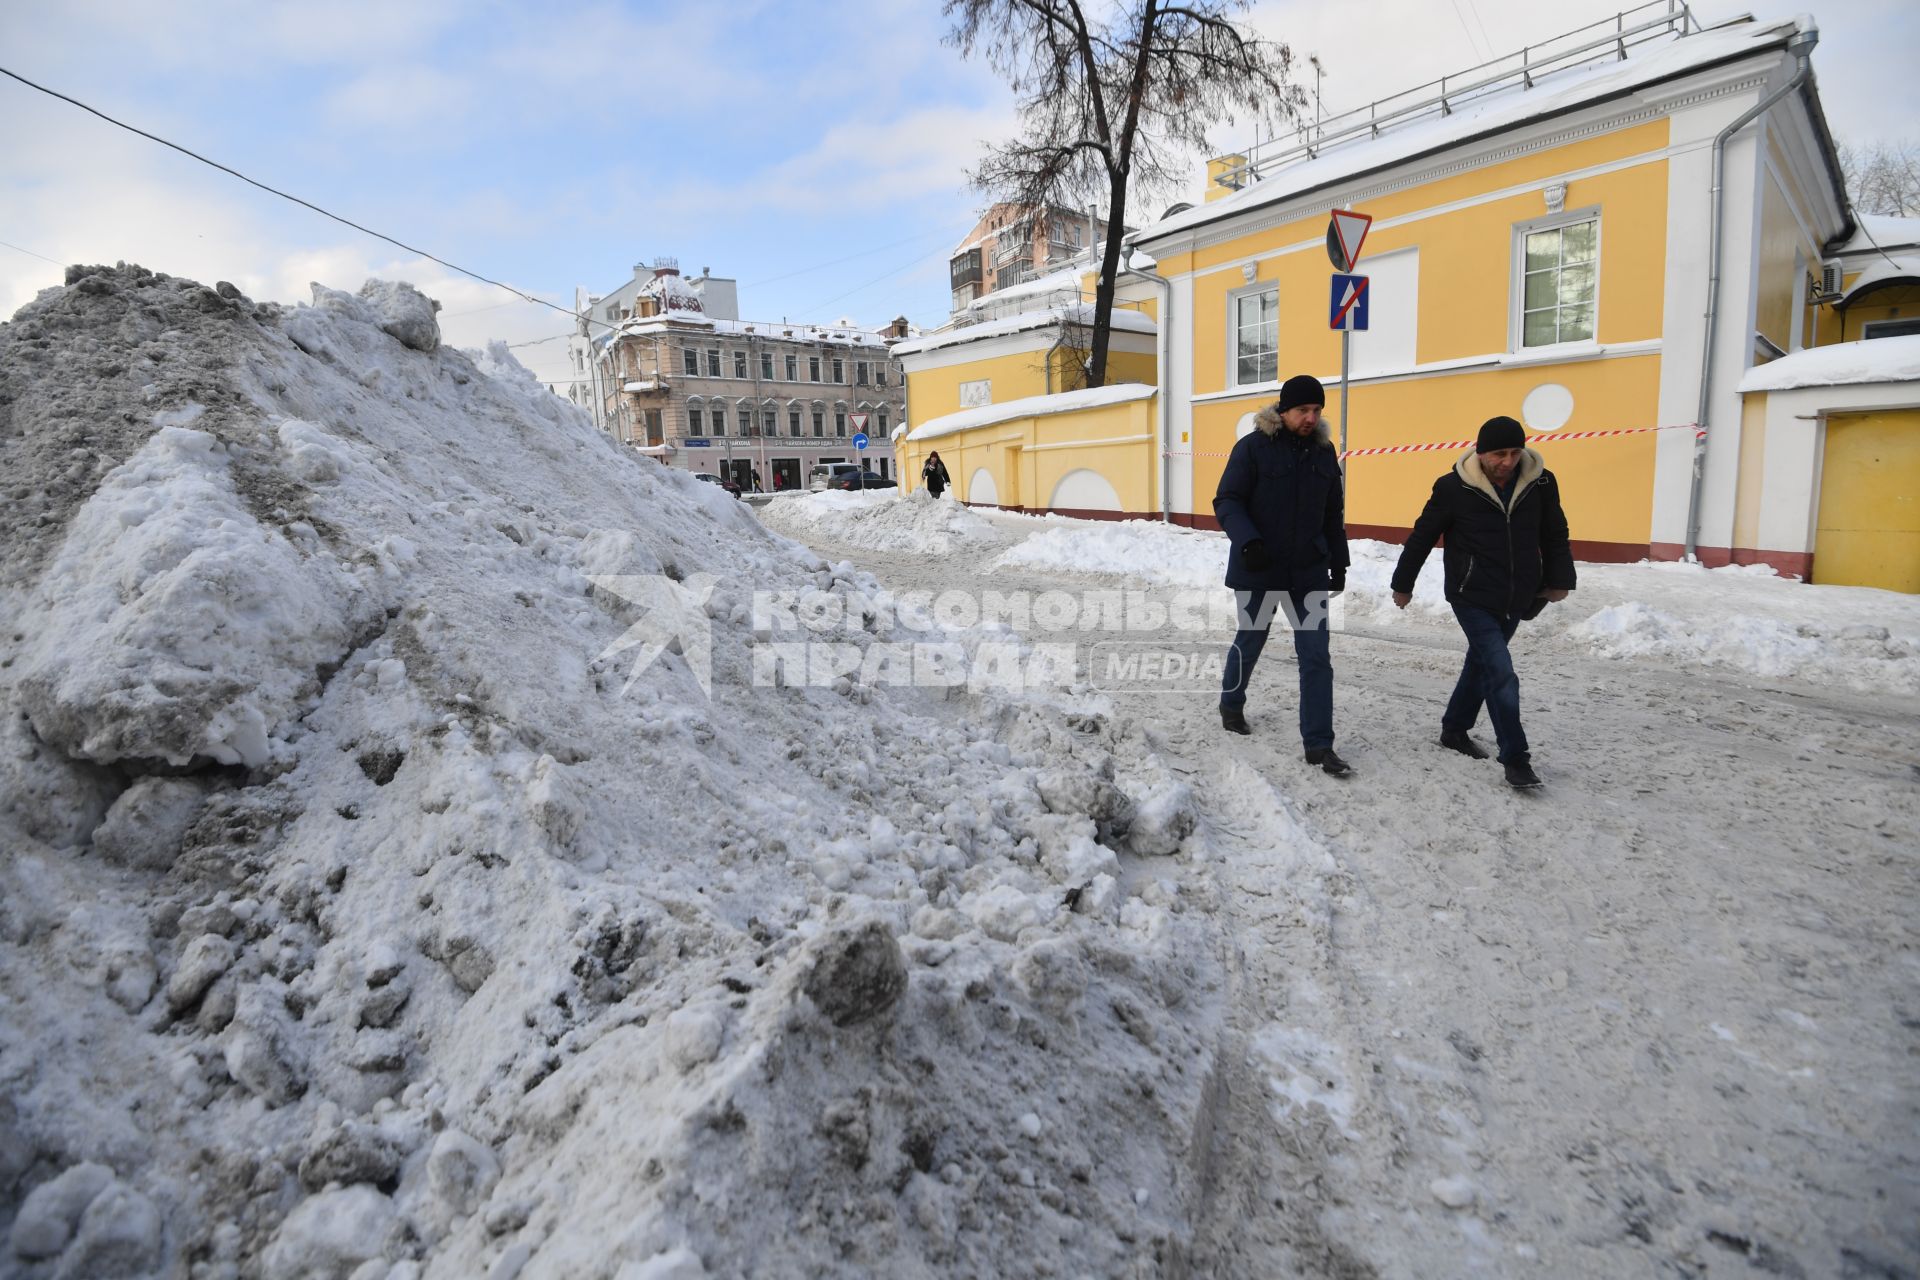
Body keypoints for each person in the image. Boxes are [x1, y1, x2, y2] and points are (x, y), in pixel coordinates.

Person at [1389, 415, 1575, 790]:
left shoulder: (1540, 481)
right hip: (1470, 593)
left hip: (1518, 593)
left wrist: (1559, 579)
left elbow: (1555, 531)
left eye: (1514, 452)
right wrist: (1402, 583)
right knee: (1500, 670)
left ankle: (1454, 729)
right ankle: (1516, 757)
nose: (1507, 461)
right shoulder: (1454, 487)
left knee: (1481, 663)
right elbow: (1423, 535)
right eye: (1498, 454)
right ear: (1480, 451)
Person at [1214, 374, 1353, 777]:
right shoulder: (1253, 448)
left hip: (1307, 570)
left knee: (1316, 656)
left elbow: (1332, 512)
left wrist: (1338, 561)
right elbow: (1227, 500)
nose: (1310, 418)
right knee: (1252, 638)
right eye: (1302, 410)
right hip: (1259, 567)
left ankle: (1319, 745)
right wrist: (1248, 541)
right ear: (1283, 410)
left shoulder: (1324, 453)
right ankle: (1231, 701)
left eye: (1316, 411)